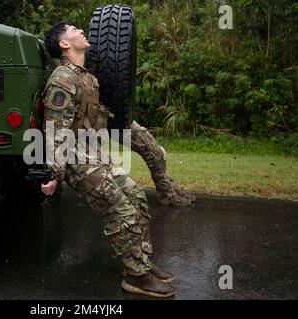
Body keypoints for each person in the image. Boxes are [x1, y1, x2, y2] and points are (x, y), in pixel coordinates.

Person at [40, 22, 192, 298]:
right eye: (73, 29)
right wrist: (55, 175)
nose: (80, 30)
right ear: (64, 44)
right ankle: (136, 276)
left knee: (137, 199)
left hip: (95, 156)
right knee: (121, 212)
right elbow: (55, 131)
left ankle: (141, 262)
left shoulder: (86, 77)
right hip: (79, 162)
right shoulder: (63, 78)